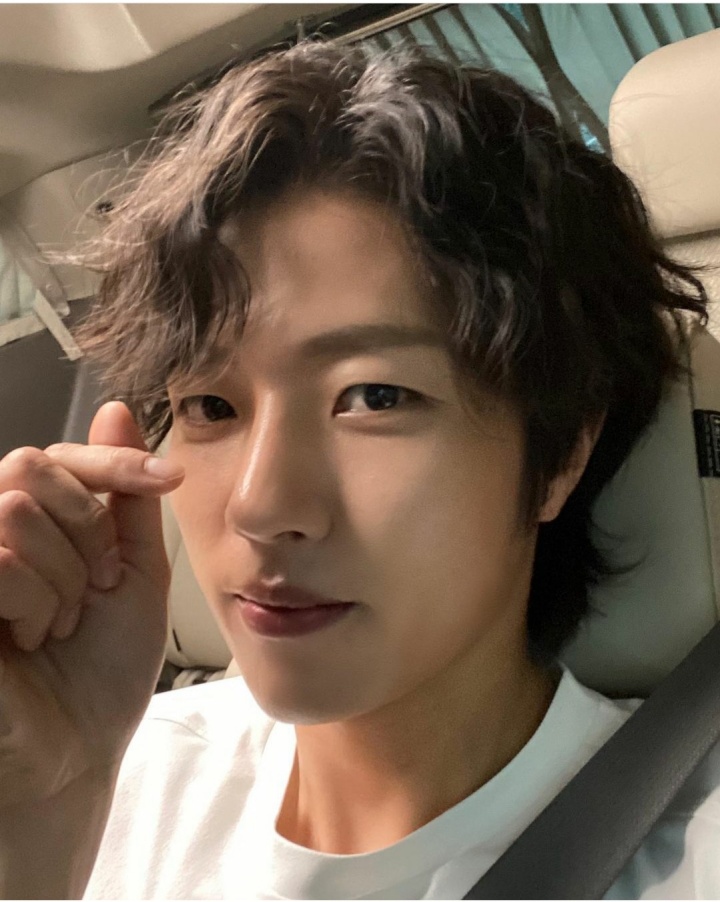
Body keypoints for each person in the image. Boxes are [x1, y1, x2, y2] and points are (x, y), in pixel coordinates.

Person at [0, 39, 715, 900]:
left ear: (560, 454)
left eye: (375, 397)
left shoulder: (690, 856)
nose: (261, 505)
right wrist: (48, 824)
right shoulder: (109, 768)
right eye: (211, 407)